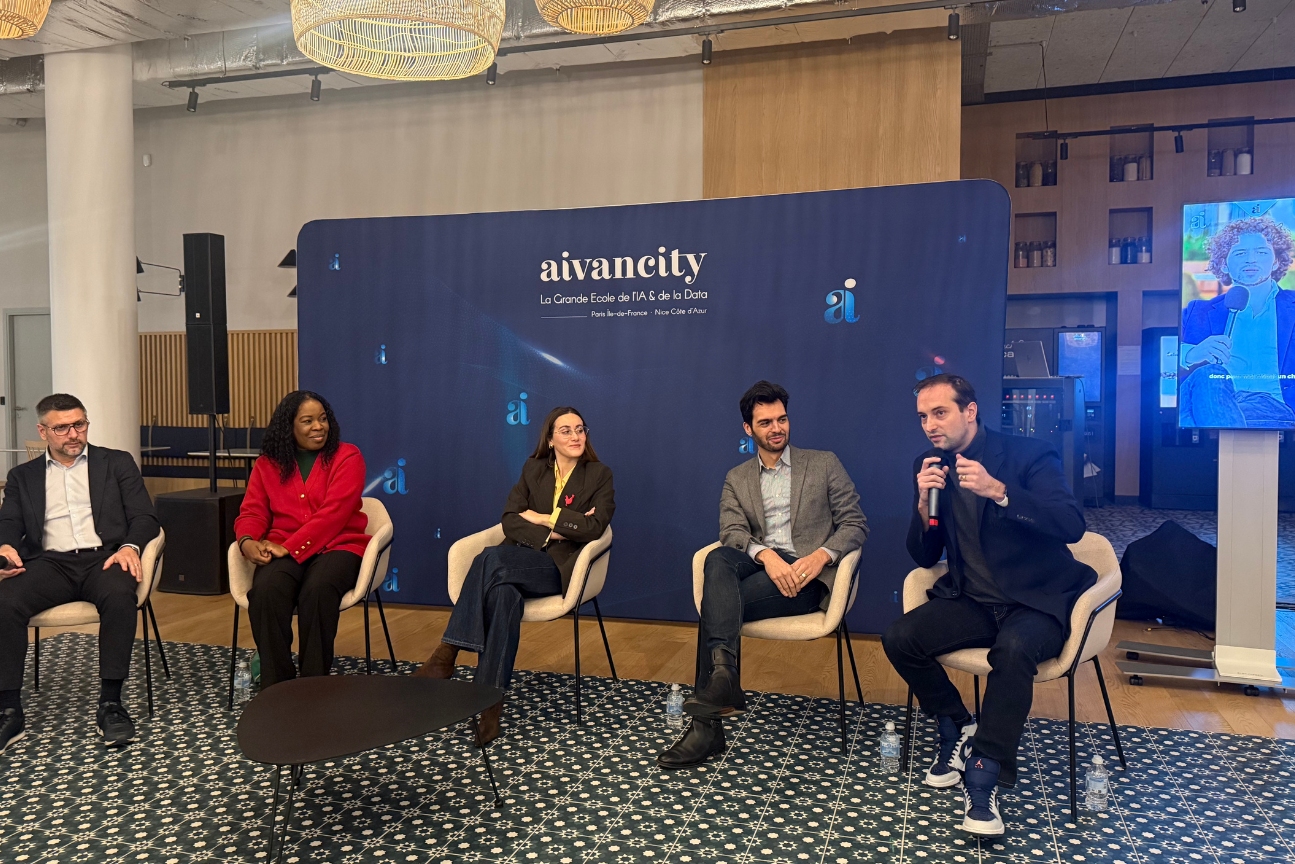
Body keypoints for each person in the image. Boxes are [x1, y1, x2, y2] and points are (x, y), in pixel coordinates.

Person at [882, 374, 1095, 837]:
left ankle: (984, 774)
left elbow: (1071, 524)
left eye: (940, 413)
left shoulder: (1029, 454)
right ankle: (958, 724)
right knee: (900, 638)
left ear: (970, 411)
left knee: (1013, 651)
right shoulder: (929, 464)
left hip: (1036, 600)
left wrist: (1000, 491)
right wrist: (921, 507)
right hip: (974, 600)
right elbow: (925, 556)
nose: (930, 425)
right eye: (923, 416)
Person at [657, 380, 867, 769]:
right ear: (748, 428)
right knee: (719, 559)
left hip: (804, 577)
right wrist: (766, 555)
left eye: (781, 419)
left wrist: (820, 557)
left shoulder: (823, 464)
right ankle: (724, 680)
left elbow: (855, 524)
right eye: (766, 422)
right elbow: (732, 532)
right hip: (760, 566)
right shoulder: (737, 478)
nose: (776, 429)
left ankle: (709, 723)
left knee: (716, 608)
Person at [414, 406, 614, 746]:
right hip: (519, 558)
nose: (575, 436)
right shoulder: (533, 468)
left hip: (558, 568)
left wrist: (545, 518)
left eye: (580, 429)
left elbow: (594, 527)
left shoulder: (599, 474)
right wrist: (561, 527)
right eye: (566, 430)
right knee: (502, 594)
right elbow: (510, 519)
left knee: (491, 558)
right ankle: (489, 707)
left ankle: (446, 653)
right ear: (550, 439)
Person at [0, 393, 161, 752]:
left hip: (104, 559)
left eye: (79, 424)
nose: (73, 434)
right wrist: (5, 545)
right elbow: (8, 521)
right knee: (5, 601)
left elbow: (145, 517)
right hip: (49, 563)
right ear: (43, 431)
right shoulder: (23, 476)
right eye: (62, 428)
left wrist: (129, 547)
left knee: (120, 596)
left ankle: (111, 704)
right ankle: (9, 710)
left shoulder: (116, 463)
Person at [235, 390, 370, 689]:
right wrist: (247, 541)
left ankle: (312, 685)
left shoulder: (348, 456)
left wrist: (290, 547)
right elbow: (253, 511)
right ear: (289, 427)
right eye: (308, 421)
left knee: (318, 590)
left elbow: (335, 513)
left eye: (322, 419)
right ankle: (277, 685)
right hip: (281, 547)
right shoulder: (268, 465)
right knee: (266, 591)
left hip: (339, 545)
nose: (318, 427)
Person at [1180, 215, 1295, 428]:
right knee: (1209, 375)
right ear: (1224, 264)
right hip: (1214, 401)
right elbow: (1161, 359)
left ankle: (1220, 442)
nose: (1251, 260)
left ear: (1276, 261)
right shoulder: (1198, 311)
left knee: (1191, 419)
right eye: (1240, 253)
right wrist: (1191, 353)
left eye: (1261, 252)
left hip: (1274, 411)